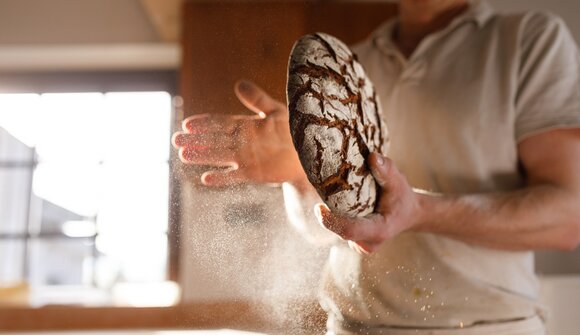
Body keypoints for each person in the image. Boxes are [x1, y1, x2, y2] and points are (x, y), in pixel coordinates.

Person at [172, 0, 580, 333]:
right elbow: (327, 231)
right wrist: (299, 173)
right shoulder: (349, 65)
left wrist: (419, 212)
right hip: (350, 326)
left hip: (485, 327)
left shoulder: (528, 41)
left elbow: (568, 218)